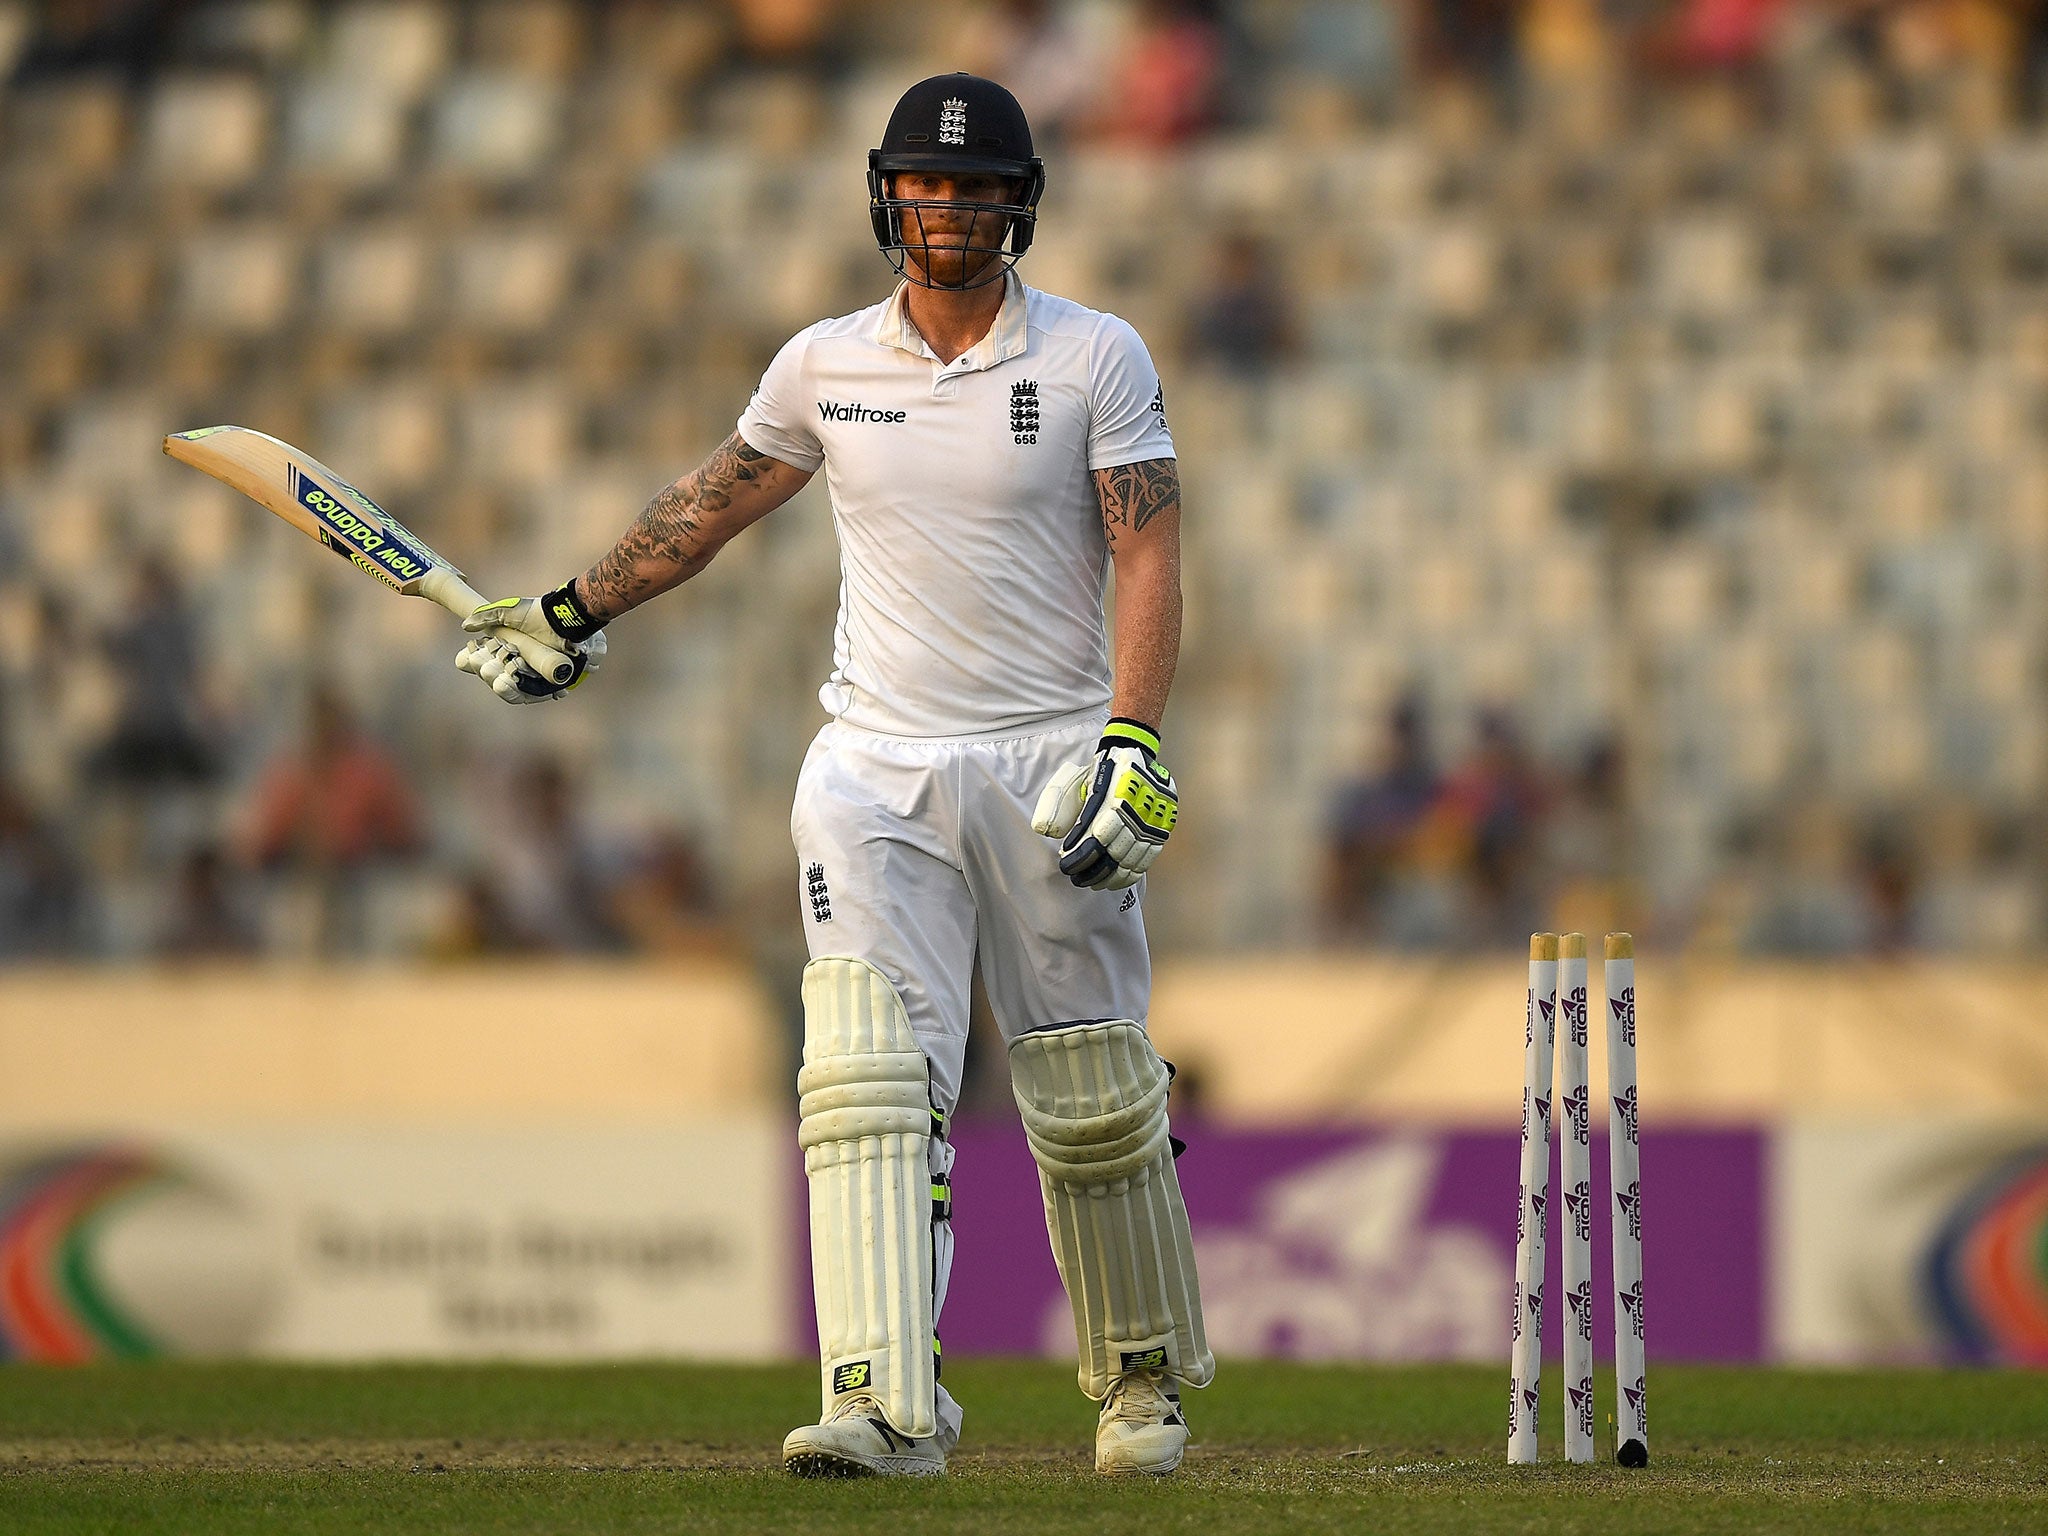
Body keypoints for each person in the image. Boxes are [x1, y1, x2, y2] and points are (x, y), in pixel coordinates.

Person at [455, 73, 1209, 1478]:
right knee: (869, 1078)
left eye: (980, 189)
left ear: (1020, 205)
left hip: (1048, 756)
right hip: (871, 767)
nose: (953, 209)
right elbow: (708, 506)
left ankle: (1141, 1382)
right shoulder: (821, 366)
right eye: (931, 184)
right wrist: (568, 611)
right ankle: (881, 1402)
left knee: (1092, 1086)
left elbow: (1149, 549)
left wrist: (1131, 738)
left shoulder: (1098, 355)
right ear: (888, 195)